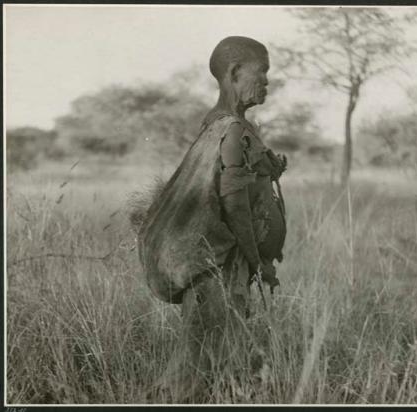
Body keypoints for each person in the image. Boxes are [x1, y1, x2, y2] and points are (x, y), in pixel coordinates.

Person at [137, 36, 287, 402]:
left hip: (223, 265)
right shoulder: (231, 129)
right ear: (235, 73)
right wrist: (257, 260)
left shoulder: (222, 124)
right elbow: (233, 204)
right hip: (219, 266)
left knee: (218, 355)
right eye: (262, 72)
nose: (268, 81)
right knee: (196, 364)